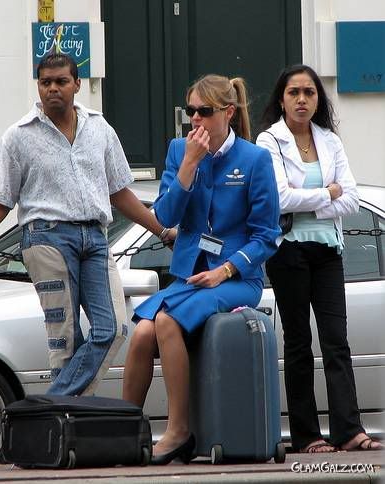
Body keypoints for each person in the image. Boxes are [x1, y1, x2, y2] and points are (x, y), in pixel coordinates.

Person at [0, 53, 174, 397]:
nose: (53, 89)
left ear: (77, 84)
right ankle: (69, 424)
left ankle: (54, 406)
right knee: (65, 337)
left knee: (112, 329)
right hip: (46, 239)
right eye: (45, 82)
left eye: (61, 81)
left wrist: (160, 230)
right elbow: (0, 202)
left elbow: (120, 193)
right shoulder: (18, 136)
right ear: (38, 86)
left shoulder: (99, 128)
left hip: (96, 239)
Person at [122, 74, 281, 464]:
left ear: (227, 112)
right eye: (190, 111)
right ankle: (124, 431)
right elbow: (164, 215)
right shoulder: (180, 151)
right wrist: (188, 166)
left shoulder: (254, 159)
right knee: (141, 332)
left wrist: (225, 270)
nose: (195, 119)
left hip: (236, 280)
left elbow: (267, 236)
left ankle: (179, 431)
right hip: (190, 277)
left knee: (165, 323)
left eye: (204, 111)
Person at [256, 64, 383, 453]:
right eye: (294, 92)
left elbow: (350, 199)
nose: (302, 99)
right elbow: (280, 199)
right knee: (297, 342)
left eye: (309, 93)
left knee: (336, 341)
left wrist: (315, 196)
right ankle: (307, 435)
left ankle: (349, 430)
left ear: (318, 99)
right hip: (288, 251)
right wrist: (326, 194)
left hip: (328, 251)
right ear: (281, 98)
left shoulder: (330, 140)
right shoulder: (269, 141)